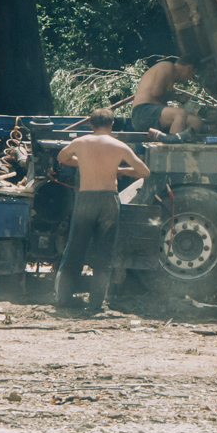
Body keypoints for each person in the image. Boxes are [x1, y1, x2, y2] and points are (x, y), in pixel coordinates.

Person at [54, 108, 151, 313]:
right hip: (108, 200)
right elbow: (144, 171)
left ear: (91, 125)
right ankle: (96, 304)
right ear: (112, 125)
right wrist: (120, 170)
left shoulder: (80, 142)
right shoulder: (120, 146)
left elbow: (61, 157)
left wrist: (82, 162)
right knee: (104, 253)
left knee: (75, 249)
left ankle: (64, 298)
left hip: (86, 199)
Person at [129, 58, 202, 139]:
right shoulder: (167, 66)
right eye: (191, 75)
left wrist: (178, 97)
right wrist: (177, 97)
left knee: (195, 121)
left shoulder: (172, 74)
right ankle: (173, 143)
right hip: (143, 112)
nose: (189, 79)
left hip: (156, 115)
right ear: (189, 68)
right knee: (180, 114)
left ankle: (184, 141)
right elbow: (156, 92)